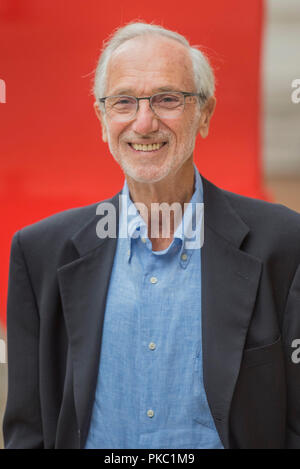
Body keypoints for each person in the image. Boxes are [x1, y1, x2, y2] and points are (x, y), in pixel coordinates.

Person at [3, 22, 300, 449]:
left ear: (204, 113)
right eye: (124, 101)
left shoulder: (285, 244)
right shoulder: (39, 253)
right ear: (102, 118)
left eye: (167, 99)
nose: (145, 123)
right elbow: (28, 431)